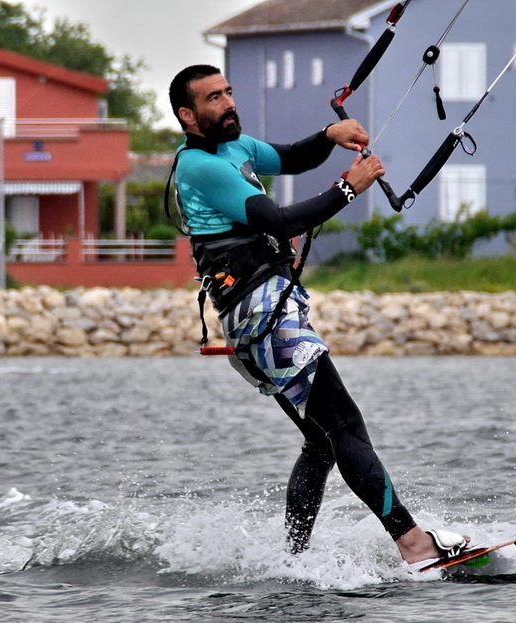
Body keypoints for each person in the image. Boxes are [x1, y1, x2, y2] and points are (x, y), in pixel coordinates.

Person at [168, 64, 469, 567]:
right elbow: (281, 219)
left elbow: (289, 158)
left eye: (228, 91)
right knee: (345, 425)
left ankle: (294, 559)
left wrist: (329, 135)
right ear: (188, 115)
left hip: (263, 315)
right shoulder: (200, 166)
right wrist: (349, 187)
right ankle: (415, 545)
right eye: (213, 98)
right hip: (260, 318)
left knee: (322, 440)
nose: (228, 103)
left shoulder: (235, 146)